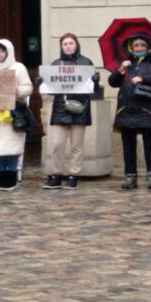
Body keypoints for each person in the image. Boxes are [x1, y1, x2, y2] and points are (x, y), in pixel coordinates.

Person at [108, 33, 151, 190]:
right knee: (128, 144)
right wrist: (121, 69)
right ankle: (130, 177)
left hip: (148, 109)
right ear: (131, 47)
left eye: (142, 45)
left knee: (150, 143)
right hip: (126, 108)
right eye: (136, 45)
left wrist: (143, 78)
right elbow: (113, 82)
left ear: (148, 47)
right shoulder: (128, 63)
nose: (139, 48)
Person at [41, 33, 98, 190]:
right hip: (61, 107)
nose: (68, 46)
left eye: (71, 43)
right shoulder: (56, 64)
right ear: (61, 46)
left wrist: (95, 81)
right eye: (65, 43)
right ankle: (56, 174)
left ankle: (73, 175)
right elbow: (51, 88)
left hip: (80, 107)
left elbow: (93, 90)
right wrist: (42, 82)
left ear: (76, 44)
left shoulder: (85, 63)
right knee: (57, 144)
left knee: (76, 145)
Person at [0, 39, 33, 191]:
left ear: (8, 52)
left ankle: (11, 178)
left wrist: (18, 89)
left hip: (12, 113)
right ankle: (1, 178)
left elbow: (28, 88)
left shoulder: (18, 68)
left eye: (2, 51)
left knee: (11, 147)